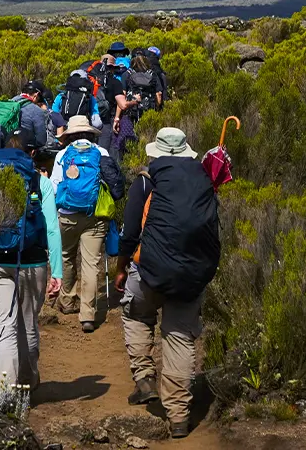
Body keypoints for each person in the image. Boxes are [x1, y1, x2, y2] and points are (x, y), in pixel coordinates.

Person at [115, 127, 221, 439]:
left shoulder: (147, 181)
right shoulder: (202, 180)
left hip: (151, 272)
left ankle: (145, 379)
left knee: (135, 312)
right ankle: (178, 417)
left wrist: (121, 269)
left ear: (156, 153)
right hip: (191, 274)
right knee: (178, 336)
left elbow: (131, 232)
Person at [0, 134, 64, 392]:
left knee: (4, 325)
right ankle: (28, 382)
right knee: (28, 324)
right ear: (30, 155)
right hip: (33, 263)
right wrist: (58, 272)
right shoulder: (40, 182)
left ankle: (6, 388)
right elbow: (52, 229)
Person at [50, 115, 125, 333]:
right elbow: (112, 182)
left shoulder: (63, 155)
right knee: (91, 264)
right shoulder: (101, 153)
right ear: (90, 133)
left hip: (67, 215)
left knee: (66, 256)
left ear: (70, 134)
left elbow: (55, 188)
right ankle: (88, 316)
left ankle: (67, 302)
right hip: (95, 216)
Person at [99, 43, 134, 157]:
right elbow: (123, 105)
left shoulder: (93, 81)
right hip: (109, 118)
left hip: (93, 119)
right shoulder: (116, 82)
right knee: (110, 149)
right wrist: (135, 101)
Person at [51, 70, 102, 136]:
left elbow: (54, 114)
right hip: (84, 131)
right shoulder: (90, 98)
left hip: (66, 131)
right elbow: (97, 123)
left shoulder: (61, 96)